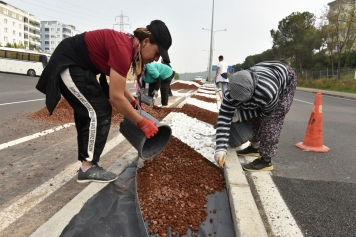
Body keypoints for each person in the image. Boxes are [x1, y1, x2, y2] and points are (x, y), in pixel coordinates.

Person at [35, 20, 172, 183]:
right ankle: (87, 168)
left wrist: (134, 102)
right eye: (157, 53)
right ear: (146, 41)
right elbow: (115, 97)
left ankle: (87, 164)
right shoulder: (123, 48)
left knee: (91, 112)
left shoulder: (128, 46)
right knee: (99, 111)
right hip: (69, 64)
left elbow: (119, 86)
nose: (156, 59)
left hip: (79, 67)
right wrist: (142, 123)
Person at [214, 61, 297, 171]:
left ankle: (266, 160)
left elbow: (267, 112)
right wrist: (220, 149)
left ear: (252, 92)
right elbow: (223, 119)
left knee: (272, 120)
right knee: (251, 115)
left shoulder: (266, 92)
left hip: (285, 76)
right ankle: (255, 147)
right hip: (265, 72)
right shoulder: (230, 94)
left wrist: (241, 115)